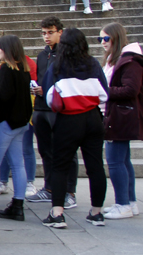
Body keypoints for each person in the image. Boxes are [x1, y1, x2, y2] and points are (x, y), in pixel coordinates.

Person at [42, 27, 109, 228]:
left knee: (60, 165)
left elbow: (48, 94)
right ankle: (96, 212)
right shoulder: (93, 64)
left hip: (68, 118)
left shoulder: (57, 65)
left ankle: (57, 213)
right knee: (95, 166)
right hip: (92, 118)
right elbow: (105, 94)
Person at [0, 36, 34, 221]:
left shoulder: (6, 70)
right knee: (18, 164)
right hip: (20, 123)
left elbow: (1, 97)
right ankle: (18, 204)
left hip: (6, 123)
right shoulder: (23, 69)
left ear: (8, 49)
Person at [26, 16, 74, 207]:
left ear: (60, 32)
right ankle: (49, 188)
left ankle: (69, 191)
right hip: (41, 107)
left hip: (59, 108)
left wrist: (46, 89)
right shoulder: (42, 55)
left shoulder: (67, 54)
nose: (46, 36)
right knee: (45, 150)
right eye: (44, 33)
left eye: (50, 33)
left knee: (66, 150)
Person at [100, 22, 141, 219]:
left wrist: (103, 91)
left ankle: (123, 203)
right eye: (100, 38)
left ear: (116, 38)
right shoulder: (116, 59)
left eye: (106, 38)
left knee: (116, 162)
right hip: (116, 114)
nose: (102, 42)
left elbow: (131, 89)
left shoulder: (129, 60)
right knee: (123, 161)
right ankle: (129, 202)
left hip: (119, 116)